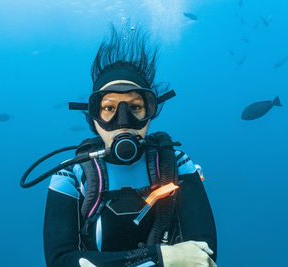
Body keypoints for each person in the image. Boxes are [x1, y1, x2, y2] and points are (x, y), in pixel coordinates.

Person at [43, 24, 217, 267]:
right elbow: (60, 261)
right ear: (94, 117)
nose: (123, 122)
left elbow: (204, 256)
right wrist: (160, 258)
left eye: (135, 107)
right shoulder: (70, 173)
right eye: (109, 109)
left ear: (150, 112)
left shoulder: (176, 163)